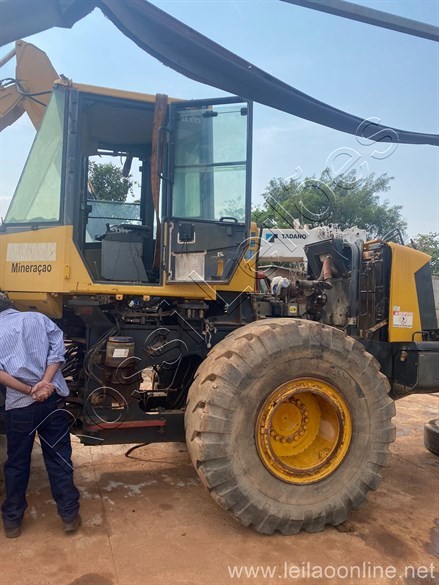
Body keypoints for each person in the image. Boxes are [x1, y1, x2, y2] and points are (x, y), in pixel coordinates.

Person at [0, 293, 80, 538]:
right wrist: (45, 383)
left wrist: (28, 391)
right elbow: (58, 352)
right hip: (52, 402)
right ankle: (69, 516)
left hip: (19, 407)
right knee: (59, 459)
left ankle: (12, 522)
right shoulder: (38, 318)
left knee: (17, 464)